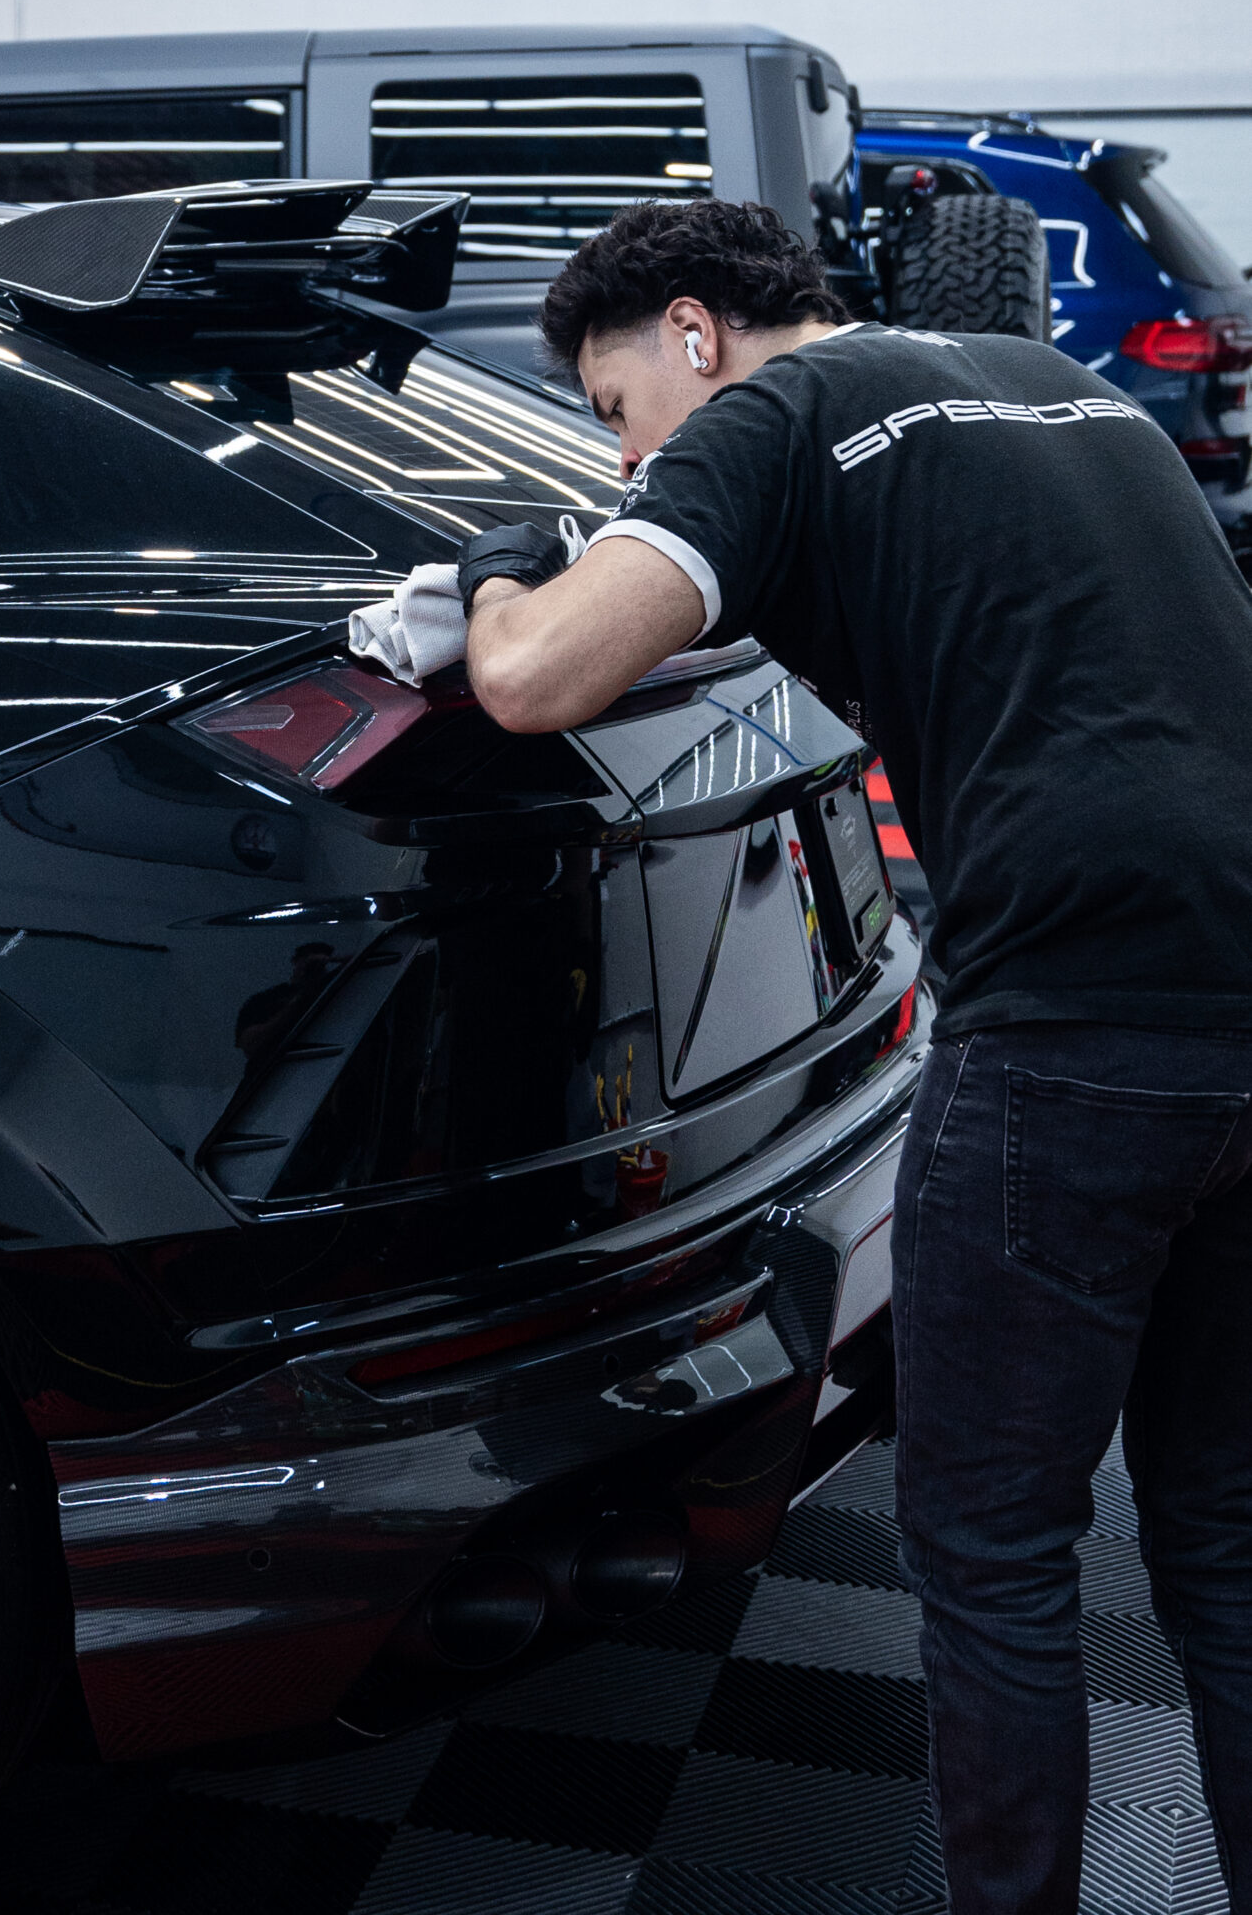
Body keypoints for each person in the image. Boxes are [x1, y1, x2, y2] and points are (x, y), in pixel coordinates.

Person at [459, 193, 1252, 1915]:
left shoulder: (765, 412)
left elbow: (533, 679)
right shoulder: (1055, 386)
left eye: (613, 413)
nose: (624, 458)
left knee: (991, 1549)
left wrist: (502, 571)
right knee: (1223, 1544)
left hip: (1077, 1031)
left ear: (690, 333)